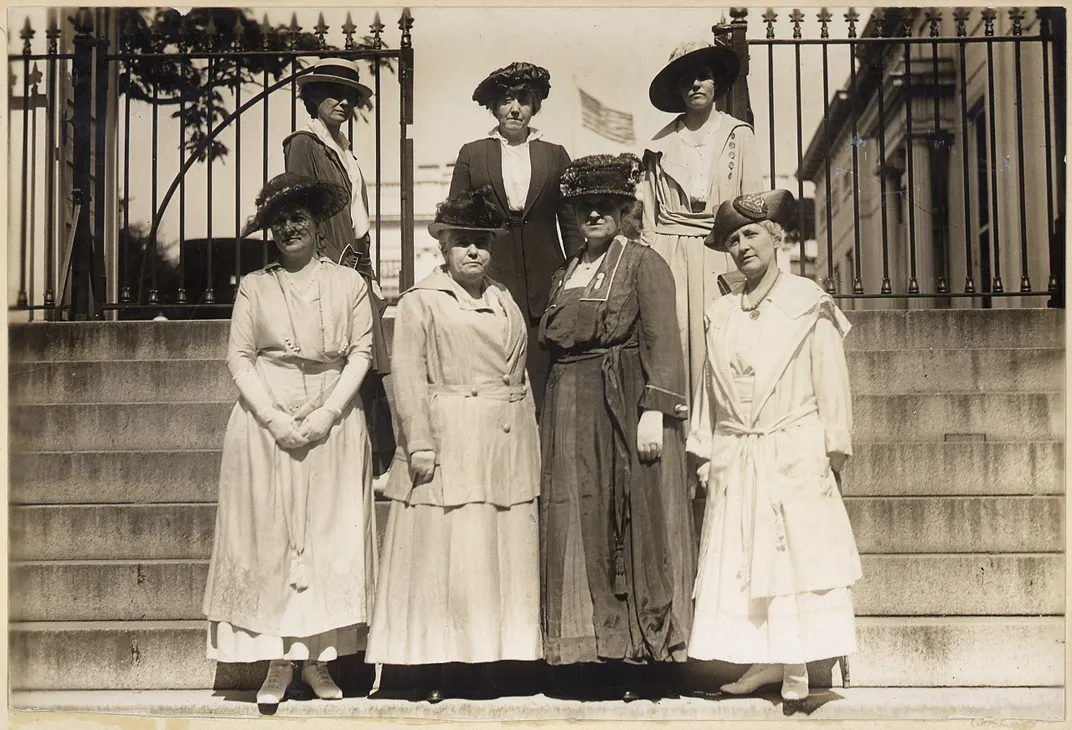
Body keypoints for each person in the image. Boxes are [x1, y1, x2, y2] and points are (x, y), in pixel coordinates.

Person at [203, 172, 379, 707]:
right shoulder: (255, 287)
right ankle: (279, 660)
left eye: (299, 217)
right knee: (270, 535)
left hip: (335, 418)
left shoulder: (349, 284)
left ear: (319, 222)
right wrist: (275, 418)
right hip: (265, 424)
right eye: (279, 221)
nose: (289, 228)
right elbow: (240, 357)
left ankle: (321, 663)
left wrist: (327, 414)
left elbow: (362, 354)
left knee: (329, 536)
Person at [366, 187, 543, 703]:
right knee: (448, 553)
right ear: (442, 248)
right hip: (450, 436)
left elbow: (520, 376)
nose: (472, 252)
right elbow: (407, 375)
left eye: (481, 243)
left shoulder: (504, 297)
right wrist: (418, 441)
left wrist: (529, 438)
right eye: (462, 242)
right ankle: (434, 665)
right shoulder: (422, 301)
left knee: (496, 551)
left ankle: (492, 660)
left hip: (504, 442)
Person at [687, 190, 862, 702]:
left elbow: (832, 383)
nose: (743, 246)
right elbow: (710, 392)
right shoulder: (722, 313)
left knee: (791, 558)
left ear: (777, 237)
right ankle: (765, 661)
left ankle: (799, 664)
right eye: (734, 239)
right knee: (746, 557)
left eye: (752, 233)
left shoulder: (808, 302)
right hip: (739, 450)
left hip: (793, 445)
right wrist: (706, 453)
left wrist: (834, 448)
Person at [538, 153, 695, 701]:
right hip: (568, 406)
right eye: (585, 208)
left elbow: (663, 340)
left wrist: (655, 406)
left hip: (625, 401)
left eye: (605, 205)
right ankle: (590, 657)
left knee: (632, 518)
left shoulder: (644, 262)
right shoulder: (564, 273)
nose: (595, 215)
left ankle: (643, 659)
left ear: (624, 209)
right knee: (578, 521)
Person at [283, 57, 395, 477]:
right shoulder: (304, 144)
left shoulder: (343, 149)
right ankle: (364, 461)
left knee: (367, 360)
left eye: (350, 94)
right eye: (334, 92)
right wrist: (319, 267)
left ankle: (381, 462)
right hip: (329, 267)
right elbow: (298, 211)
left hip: (355, 267)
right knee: (340, 361)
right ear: (312, 97)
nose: (344, 102)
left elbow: (355, 216)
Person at [450, 61, 583, 412]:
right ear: (493, 107)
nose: (514, 109)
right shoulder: (473, 153)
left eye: (523, 101)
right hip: (491, 277)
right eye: (506, 100)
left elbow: (570, 222)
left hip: (546, 277)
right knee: (494, 367)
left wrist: (575, 272)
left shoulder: (554, 155)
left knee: (542, 372)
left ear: (534, 107)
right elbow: (457, 220)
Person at [640, 37, 763, 415]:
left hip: (721, 252)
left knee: (722, 343)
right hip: (671, 252)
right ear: (677, 89)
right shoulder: (657, 145)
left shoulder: (738, 135)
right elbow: (648, 216)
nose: (695, 84)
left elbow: (753, 205)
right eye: (686, 79)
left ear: (716, 85)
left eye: (703, 76)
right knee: (673, 340)